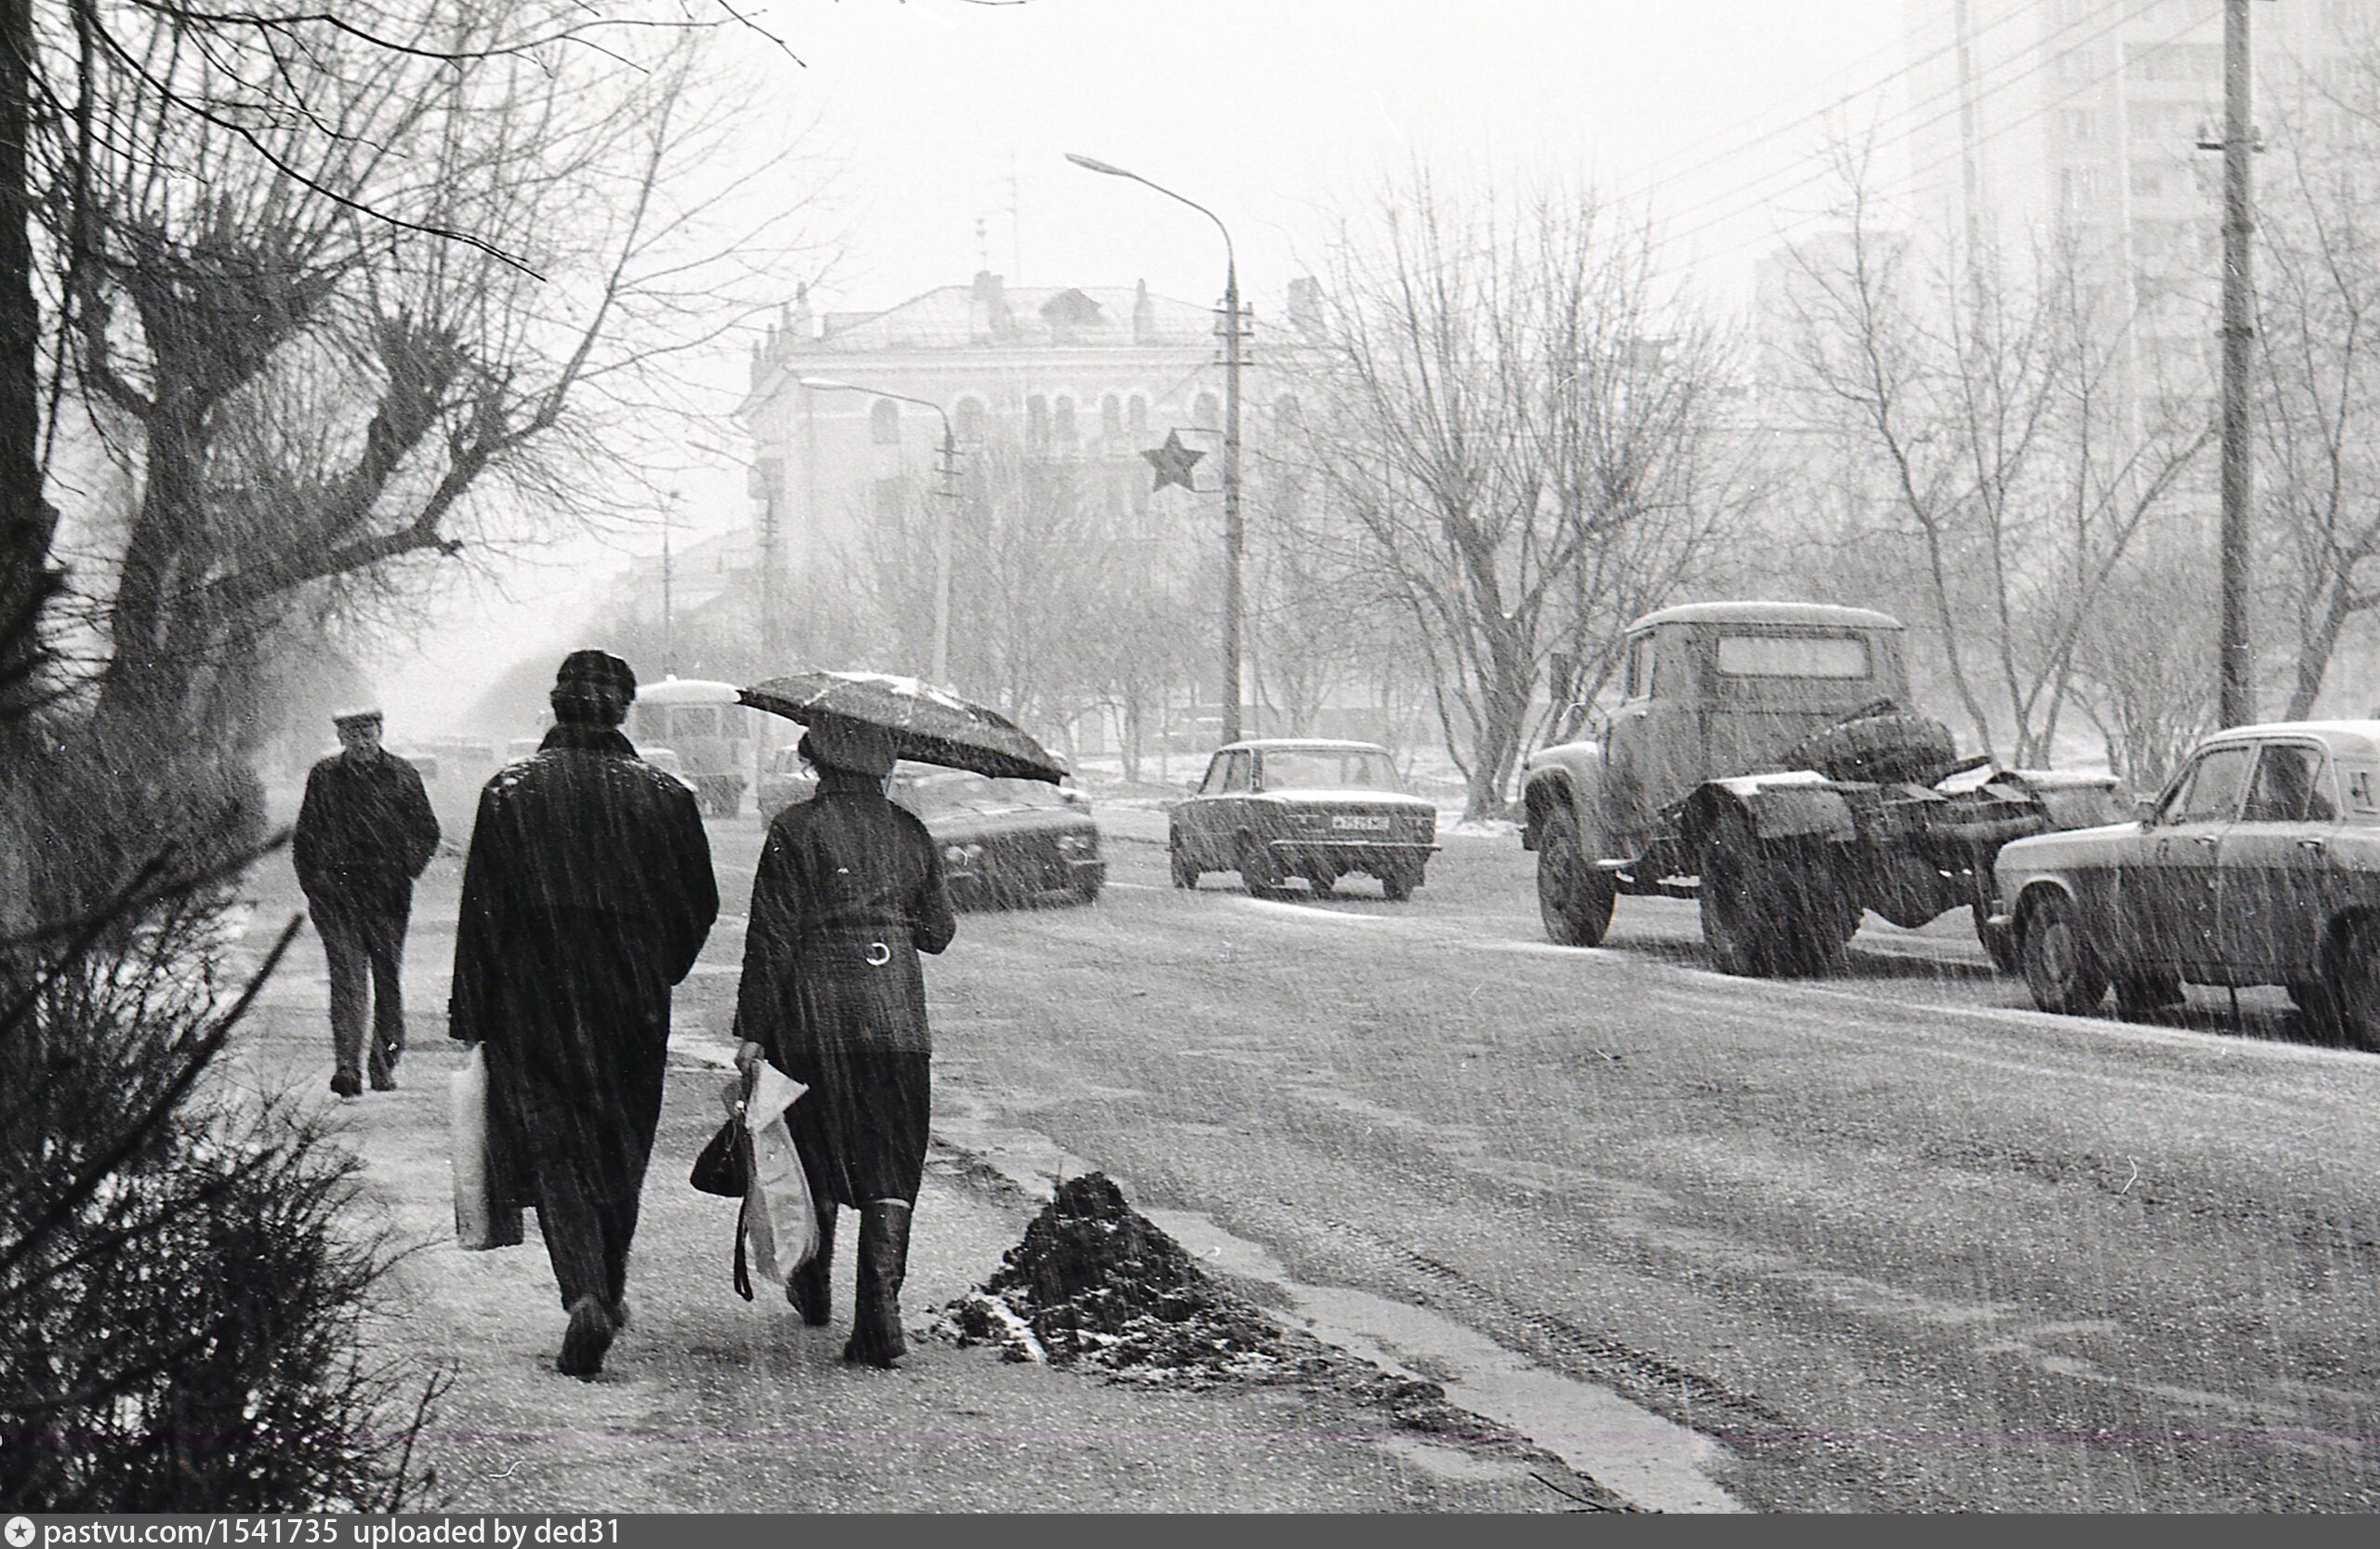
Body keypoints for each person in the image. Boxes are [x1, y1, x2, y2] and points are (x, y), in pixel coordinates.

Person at [447, 650, 718, 1379]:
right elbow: (700, 903)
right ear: (623, 710)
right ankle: (611, 1282)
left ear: (556, 707)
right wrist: (655, 965)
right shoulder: (664, 795)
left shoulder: (509, 792)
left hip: (533, 993)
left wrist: (472, 1005)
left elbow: (483, 907)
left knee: (556, 1146)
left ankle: (585, 1296)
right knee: (619, 1141)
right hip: (631, 995)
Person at [734, 716, 957, 1368]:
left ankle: (813, 1279)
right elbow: (938, 932)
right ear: (885, 764)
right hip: (895, 1025)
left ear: (816, 761)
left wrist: (753, 1032)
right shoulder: (910, 832)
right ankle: (880, 1312)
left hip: (812, 1020)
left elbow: (771, 938)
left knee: (816, 1148)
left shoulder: (794, 831)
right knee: (891, 1159)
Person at [293, 708, 439, 1099]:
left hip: (387, 895)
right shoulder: (324, 776)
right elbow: (306, 835)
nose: (361, 740)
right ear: (341, 737)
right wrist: (315, 883)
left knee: (387, 981)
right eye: (352, 733)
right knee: (347, 980)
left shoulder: (403, 774)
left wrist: (404, 866)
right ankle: (348, 1067)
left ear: (380, 732)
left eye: (368, 731)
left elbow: (426, 830)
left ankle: (384, 1062)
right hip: (337, 895)